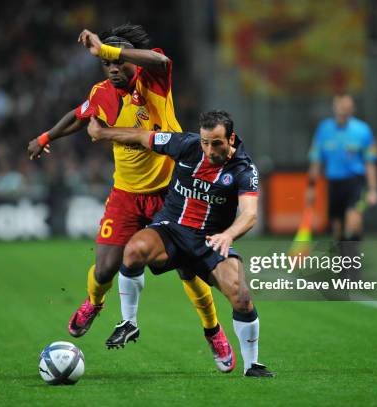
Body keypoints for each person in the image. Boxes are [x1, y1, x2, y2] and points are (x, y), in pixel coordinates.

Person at [27, 24, 228, 367]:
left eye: (118, 62)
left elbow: (159, 62)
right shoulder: (102, 92)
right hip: (126, 194)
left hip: (170, 192)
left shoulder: (153, 79)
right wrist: (45, 138)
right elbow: (79, 117)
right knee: (105, 269)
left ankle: (213, 331)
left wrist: (108, 50)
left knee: (187, 268)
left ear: (130, 61)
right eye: (107, 65)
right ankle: (94, 302)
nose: (114, 69)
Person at [88, 110, 274, 377]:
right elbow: (142, 136)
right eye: (205, 142)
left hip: (209, 240)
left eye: (217, 143)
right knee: (133, 250)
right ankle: (129, 322)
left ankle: (252, 365)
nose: (209, 150)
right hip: (171, 230)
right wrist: (102, 133)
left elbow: (250, 214)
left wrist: (229, 235)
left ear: (231, 138)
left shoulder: (244, 169)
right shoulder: (186, 145)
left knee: (242, 297)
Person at [306, 94, 377, 268]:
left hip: (355, 181)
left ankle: (354, 263)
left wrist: (373, 189)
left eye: (348, 107)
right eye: (341, 106)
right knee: (338, 227)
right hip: (334, 183)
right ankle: (342, 260)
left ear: (352, 109)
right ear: (335, 107)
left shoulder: (363, 130)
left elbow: (370, 162)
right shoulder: (324, 129)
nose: (344, 110)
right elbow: (316, 161)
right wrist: (311, 187)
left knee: (353, 220)